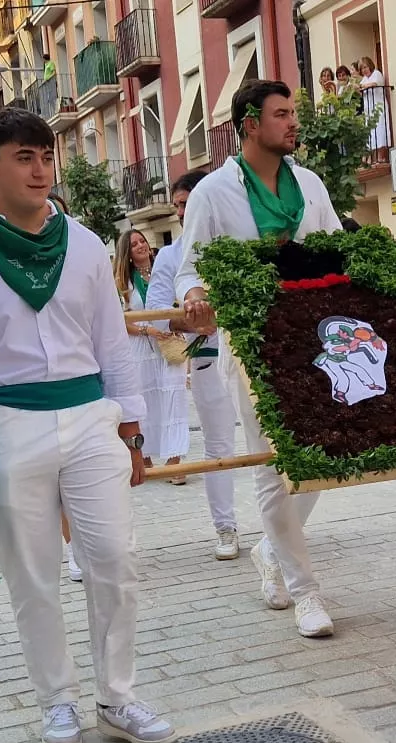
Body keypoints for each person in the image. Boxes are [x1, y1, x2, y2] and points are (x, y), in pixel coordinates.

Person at [0, 107, 175, 743]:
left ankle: (118, 696)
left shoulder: (83, 244)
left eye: (46, 157)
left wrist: (133, 427)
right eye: (24, 157)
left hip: (90, 420)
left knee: (114, 557)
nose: (39, 169)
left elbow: (112, 342)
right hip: (4, 423)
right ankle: (58, 701)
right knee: (34, 575)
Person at [173, 80, 345, 638]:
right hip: (251, 345)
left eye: (294, 113)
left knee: (318, 461)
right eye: (282, 114)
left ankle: (271, 551)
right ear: (250, 124)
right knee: (275, 466)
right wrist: (195, 296)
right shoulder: (213, 192)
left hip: (315, 343)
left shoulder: (312, 185)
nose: (294, 123)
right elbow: (190, 269)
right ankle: (306, 592)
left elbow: (339, 251)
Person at [147, 169, 239, 559]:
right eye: (180, 205)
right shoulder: (170, 255)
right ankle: (226, 528)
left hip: (250, 355)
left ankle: (281, 528)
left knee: (269, 443)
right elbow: (152, 314)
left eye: (189, 203)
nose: (184, 211)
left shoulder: (236, 245)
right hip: (207, 358)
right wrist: (190, 320)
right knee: (219, 445)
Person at [116, 229, 188, 481]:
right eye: (134, 243)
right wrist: (148, 330)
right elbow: (119, 321)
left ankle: (175, 463)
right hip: (139, 348)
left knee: (174, 398)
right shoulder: (123, 283)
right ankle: (144, 460)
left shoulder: (165, 271)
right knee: (145, 402)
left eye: (142, 241)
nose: (140, 246)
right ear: (127, 251)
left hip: (168, 344)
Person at [357, 57, 388, 155]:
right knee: (371, 133)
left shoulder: (377, 74)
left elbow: (375, 84)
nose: (364, 70)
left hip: (378, 106)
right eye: (362, 69)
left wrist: (361, 86)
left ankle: (382, 155)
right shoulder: (364, 79)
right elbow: (361, 92)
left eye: (365, 67)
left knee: (380, 130)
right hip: (369, 109)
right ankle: (374, 156)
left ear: (370, 65)